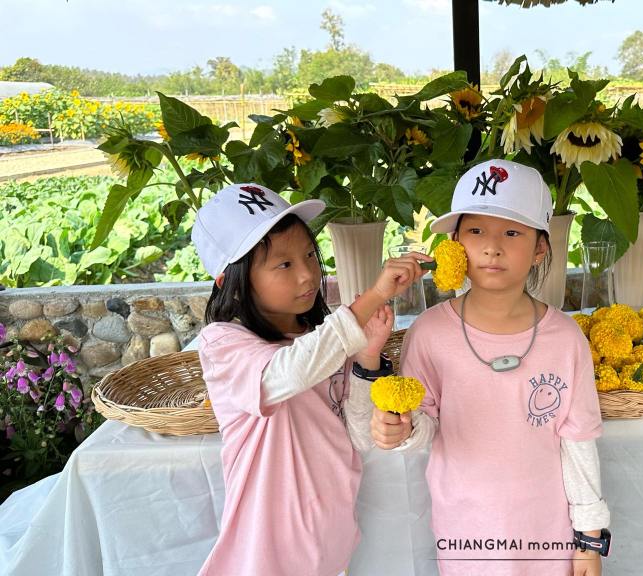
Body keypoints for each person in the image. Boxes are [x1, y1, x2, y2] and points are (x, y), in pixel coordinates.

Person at [376, 160, 612, 575]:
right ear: (453, 243)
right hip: (466, 535)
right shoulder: (429, 333)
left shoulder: (565, 338)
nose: (492, 247)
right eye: (476, 231)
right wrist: (402, 428)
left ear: (540, 247)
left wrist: (589, 539)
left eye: (512, 232)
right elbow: (424, 425)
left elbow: (578, 444)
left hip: (548, 536)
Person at [192, 182, 429, 576]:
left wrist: (368, 358)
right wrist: (373, 296)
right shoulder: (224, 345)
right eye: (283, 265)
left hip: (329, 539)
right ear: (229, 282)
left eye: (308, 255)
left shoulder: (322, 339)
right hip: (266, 553)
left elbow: (358, 433)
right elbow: (290, 372)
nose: (307, 274)